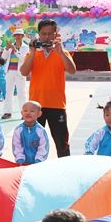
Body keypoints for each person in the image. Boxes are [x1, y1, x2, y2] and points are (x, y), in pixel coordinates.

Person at [21, 20, 76, 157]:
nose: (46, 37)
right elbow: (24, 72)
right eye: (43, 34)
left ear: (55, 34)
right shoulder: (32, 53)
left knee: (62, 143)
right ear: (38, 35)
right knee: (32, 142)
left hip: (57, 104)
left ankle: (65, 166)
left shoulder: (62, 52)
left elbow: (72, 70)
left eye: (50, 34)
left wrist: (61, 52)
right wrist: (32, 52)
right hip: (35, 106)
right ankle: (32, 166)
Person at [1, 28, 30, 119]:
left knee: (22, 93)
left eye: (19, 35)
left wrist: (15, 50)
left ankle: (24, 112)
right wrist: (6, 48)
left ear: (22, 36)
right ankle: (7, 112)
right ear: (14, 36)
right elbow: (3, 58)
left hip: (20, 72)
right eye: (16, 35)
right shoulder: (10, 46)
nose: (17, 36)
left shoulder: (25, 47)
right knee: (8, 92)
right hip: (10, 71)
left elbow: (23, 59)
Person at [12, 101, 49, 165]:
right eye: (25, 111)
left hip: (38, 164)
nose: (28, 113)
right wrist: (19, 158)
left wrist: (39, 160)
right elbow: (16, 145)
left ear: (39, 114)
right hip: (22, 163)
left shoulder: (41, 131)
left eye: (32, 111)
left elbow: (44, 147)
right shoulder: (18, 130)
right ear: (21, 113)